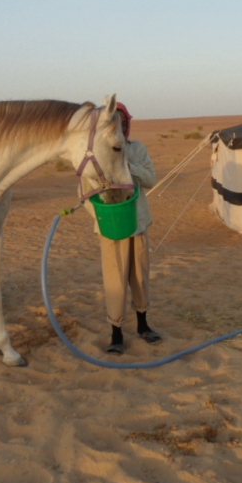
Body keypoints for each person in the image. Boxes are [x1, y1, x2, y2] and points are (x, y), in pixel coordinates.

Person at [88, 102, 161, 354]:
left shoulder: (136, 149)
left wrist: (127, 166)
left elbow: (151, 179)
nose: (124, 127)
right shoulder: (96, 153)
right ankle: (116, 335)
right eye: (117, 123)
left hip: (137, 222)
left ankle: (143, 326)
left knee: (140, 276)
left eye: (126, 122)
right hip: (110, 225)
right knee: (115, 280)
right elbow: (86, 191)